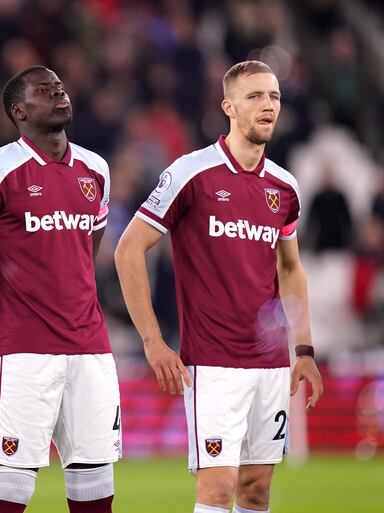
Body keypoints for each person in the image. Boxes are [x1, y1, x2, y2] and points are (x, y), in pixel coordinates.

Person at [114, 61, 324, 513]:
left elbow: (291, 269)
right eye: (255, 97)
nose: (268, 105)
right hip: (212, 364)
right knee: (218, 487)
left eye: (274, 97)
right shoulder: (191, 173)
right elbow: (128, 249)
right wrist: (152, 341)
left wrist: (303, 351)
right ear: (228, 107)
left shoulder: (283, 188)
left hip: (269, 364)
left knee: (256, 490)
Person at [0, 66, 120, 513]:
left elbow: (85, 252)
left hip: (91, 349)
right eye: (46, 91)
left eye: (61, 87)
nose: (60, 94)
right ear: (19, 111)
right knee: (12, 487)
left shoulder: (95, 170)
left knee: (95, 483)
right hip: (24, 352)